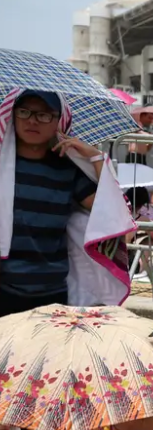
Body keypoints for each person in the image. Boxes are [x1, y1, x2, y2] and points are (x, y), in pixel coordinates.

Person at [1, 90, 102, 315]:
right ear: (12, 115)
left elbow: (107, 210)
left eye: (44, 114)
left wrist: (95, 157)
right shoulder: (2, 167)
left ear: (58, 121)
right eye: (25, 112)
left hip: (52, 293)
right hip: (4, 289)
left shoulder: (68, 171)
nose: (33, 120)